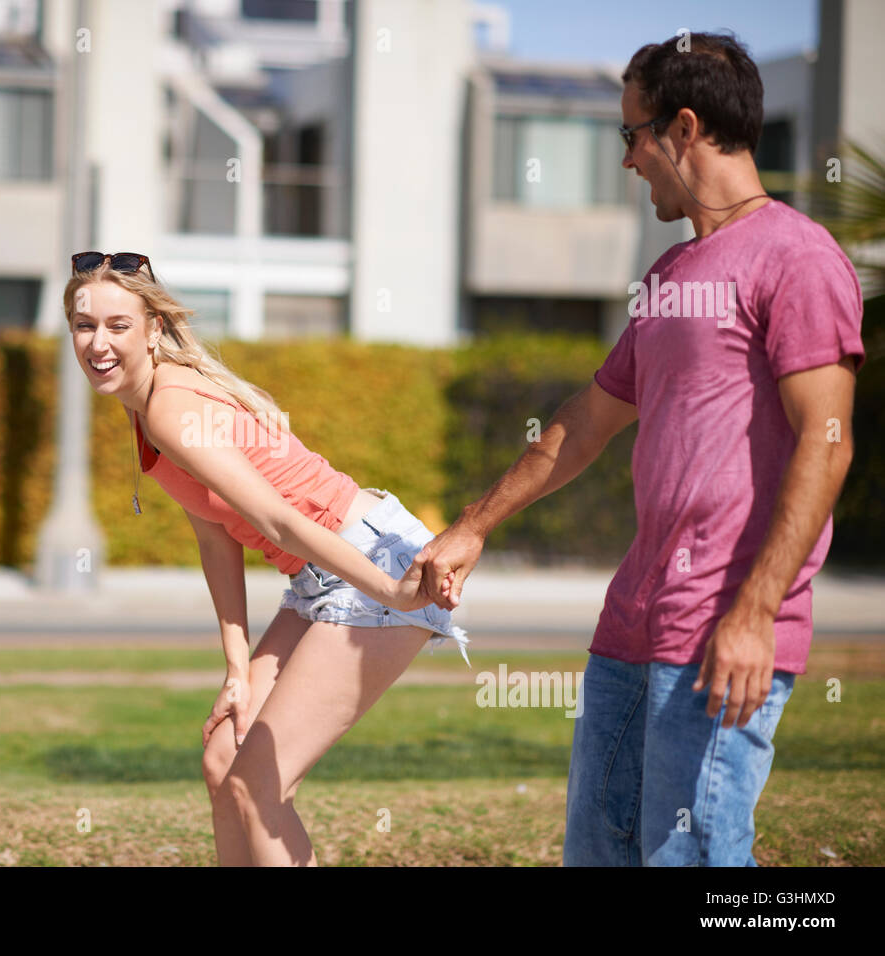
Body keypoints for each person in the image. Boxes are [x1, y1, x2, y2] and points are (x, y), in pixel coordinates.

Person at [417, 32, 864, 866]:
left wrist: (756, 613)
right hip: (629, 627)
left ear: (683, 128)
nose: (627, 162)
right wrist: (475, 525)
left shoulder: (797, 258)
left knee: (689, 862)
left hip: (723, 632)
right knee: (600, 851)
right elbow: (585, 421)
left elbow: (826, 444)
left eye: (631, 136)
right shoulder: (669, 276)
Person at [63, 250, 469, 866]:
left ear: (154, 328)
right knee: (224, 757)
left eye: (118, 326)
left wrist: (392, 591)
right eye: (84, 325)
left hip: (367, 562)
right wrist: (235, 669)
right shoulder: (145, 409)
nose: (98, 343)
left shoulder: (171, 409)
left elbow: (279, 519)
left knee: (257, 783)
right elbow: (213, 535)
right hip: (319, 575)